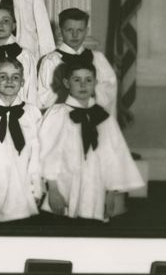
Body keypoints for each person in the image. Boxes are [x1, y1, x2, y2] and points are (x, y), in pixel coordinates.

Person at [39, 63, 143, 222]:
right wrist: (52, 189)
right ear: (67, 83)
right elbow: (47, 152)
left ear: (95, 83)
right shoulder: (57, 114)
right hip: (64, 188)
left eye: (88, 80)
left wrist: (110, 193)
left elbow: (114, 156)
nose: (83, 85)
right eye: (76, 79)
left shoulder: (103, 117)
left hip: (96, 189)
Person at [0, 58, 42, 223]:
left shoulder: (32, 113)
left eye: (15, 77)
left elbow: (37, 154)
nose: (10, 81)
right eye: (3, 76)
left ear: (23, 82)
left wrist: (37, 188)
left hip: (24, 189)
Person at [37, 7, 118, 115]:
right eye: (69, 30)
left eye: (80, 30)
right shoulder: (51, 62)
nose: (75, 35)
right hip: (62, 121)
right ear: (60, 31)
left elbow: (109, 90)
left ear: (86, 31)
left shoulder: (97, 59)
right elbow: (44, 99)